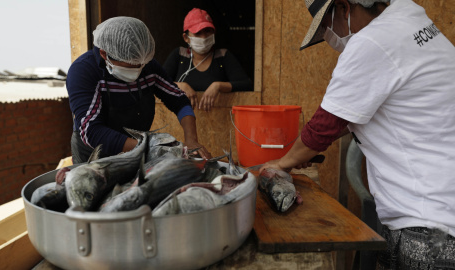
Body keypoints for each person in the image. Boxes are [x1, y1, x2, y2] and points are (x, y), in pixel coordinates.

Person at [260, 0, 455, 268]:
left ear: (344, 8)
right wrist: (305, 152)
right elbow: (354, 113)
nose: (331, 37)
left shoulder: (372, 42)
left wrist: (281, 163)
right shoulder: (408, 15)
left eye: (327, 26)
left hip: (427, 222)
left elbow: (323, 126)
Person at [66, 16, 212, 163]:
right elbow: (92, 131)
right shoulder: (83, 71)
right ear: (105, 54)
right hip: (94, 155)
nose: (139, 70)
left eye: (141, 65)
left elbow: (179, 99)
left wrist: (191, 139)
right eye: (131, 66)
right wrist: (150, 149)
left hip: (137, 149)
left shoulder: (146, 64)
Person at [163, 8, 253, 112]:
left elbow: (246, 84)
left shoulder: (223, 57)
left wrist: (218, 85)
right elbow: (158, 82)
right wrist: (180, 85)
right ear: (186, 38)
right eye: (198, 33)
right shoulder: (179, 55)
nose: (204, 37)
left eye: (207, 31)